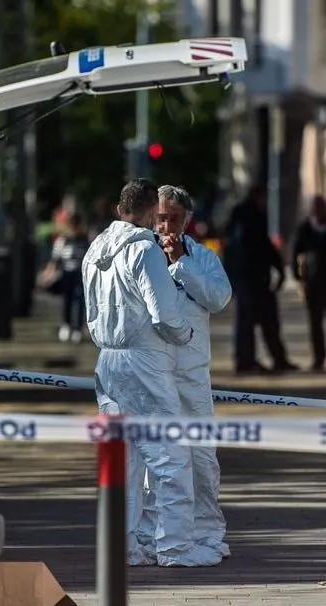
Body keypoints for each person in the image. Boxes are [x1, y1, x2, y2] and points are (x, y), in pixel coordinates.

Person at [82, 178, 220, 568]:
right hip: (144, 358)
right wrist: (185, 332)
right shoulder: (144, 250)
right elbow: (163, 313)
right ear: (147, 211)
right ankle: (175, 546)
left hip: (107, 361)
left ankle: (122, 545)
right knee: (171, 455)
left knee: (123, 459)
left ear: (118, 208)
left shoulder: (94, 250)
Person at [132, 185, 233, 559]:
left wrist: (180, 266)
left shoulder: (202, 258)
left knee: (201, 458)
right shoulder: (139, 255)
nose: (166, 226)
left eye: (174, 219)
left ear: (186, 220)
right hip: (152, 372)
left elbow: (219, 298)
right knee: (156, 460)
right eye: (160, 218)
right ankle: (152, 533)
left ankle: (206, 534)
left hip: (192, 374)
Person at [223, 185, 298, 374]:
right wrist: (278, 269)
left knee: (258, 319)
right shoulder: (251, 218)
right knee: (253, 320)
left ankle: (258, 358)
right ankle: (249, 360)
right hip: (251, 278)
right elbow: (262, 247)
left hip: (249, 277)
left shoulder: (242, 217)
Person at [290, 196, 326, 371]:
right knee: (315, 323)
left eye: (322, 207)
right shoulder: (304, 228)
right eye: (316, 207)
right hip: (313, 282)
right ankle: (319, 358)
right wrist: (299, 279)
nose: (319, 211)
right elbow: (295, 254)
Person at [47, 214, 89, 343]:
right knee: (67, 300)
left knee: (80, 301)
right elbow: (55, 258)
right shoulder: (63, 240)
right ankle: (67, 325)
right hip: (67, 273)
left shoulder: (84, 239)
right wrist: (49, 273)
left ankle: (78, 328)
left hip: (80, 273)